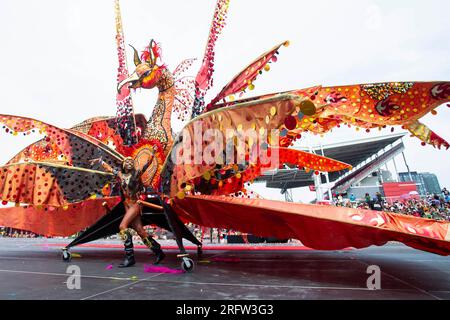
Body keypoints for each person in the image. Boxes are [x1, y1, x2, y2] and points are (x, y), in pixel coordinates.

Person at [92, 156, 165, 267]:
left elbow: (146, 165)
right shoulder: (120, 175)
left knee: (122, 226)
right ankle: (158, 251)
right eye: (127, 161)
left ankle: (129, 257)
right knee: (140, 231)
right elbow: (109, 169)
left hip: (135, 204)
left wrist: (153, 153)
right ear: (123, 164)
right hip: (127, 205)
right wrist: (100, 161)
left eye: (131, 161)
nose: (130, 162)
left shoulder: (136, 174)